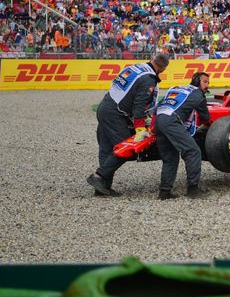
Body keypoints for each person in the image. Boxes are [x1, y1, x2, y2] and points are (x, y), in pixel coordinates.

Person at [86, 53, 170, 196]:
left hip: (105, 106)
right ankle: (99, 176)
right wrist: (140, 128)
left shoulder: (137, 67)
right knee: (127, 148)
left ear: (152, 60)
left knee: (107, 150)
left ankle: (102, 188)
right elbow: (139, 105)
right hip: (115, 114)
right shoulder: (148, 79)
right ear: (162, 70)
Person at [155, 72, 211, 200]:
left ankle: (164, 192)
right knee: (193, 151)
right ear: (197, 82)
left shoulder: (178, 88)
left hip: (159, 120)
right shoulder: (198, 94)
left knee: (170, 157)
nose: (207, 85)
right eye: (205, 82)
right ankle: (193, 189)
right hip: (171, 122)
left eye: (208, 82)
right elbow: (206, 118)